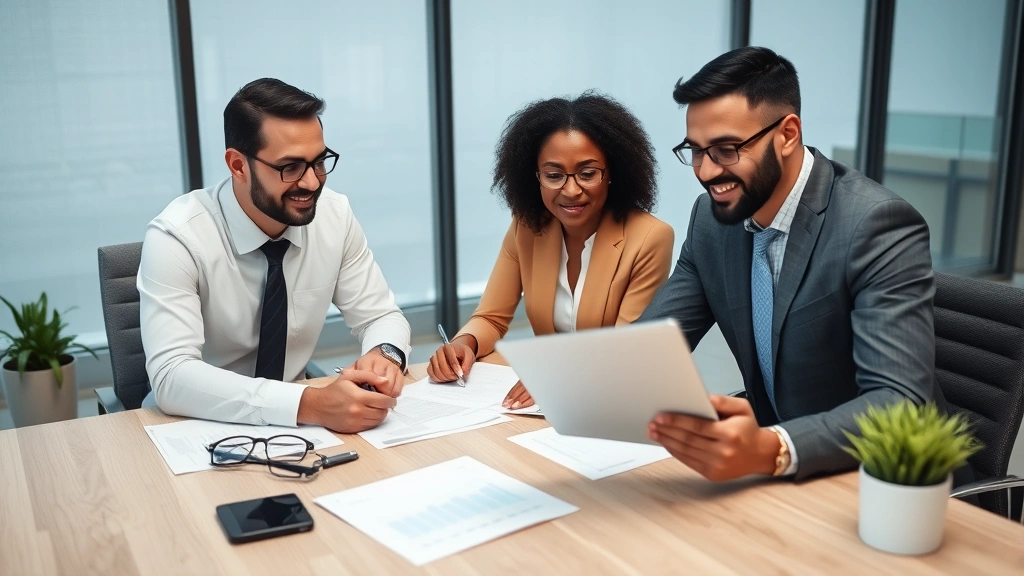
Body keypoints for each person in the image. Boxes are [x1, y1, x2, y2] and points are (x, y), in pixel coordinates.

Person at [640, 47, 970, 485]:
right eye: (695, 150)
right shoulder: (711, 221)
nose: (705, 171)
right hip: (785, 473)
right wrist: (575, 378)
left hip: (892, 483)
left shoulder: (875, 223)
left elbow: (898, 400)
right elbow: (649, 345)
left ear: (788, 133)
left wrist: (773, 447)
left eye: (725, 149)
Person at [138, 78, 410, 434]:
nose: (312, 183)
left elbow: (381, 315)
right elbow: (172, 376)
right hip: (195, 424)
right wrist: (309, 404)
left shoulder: (334, 215)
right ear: (238, 166)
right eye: (291, 168)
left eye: (319, 162)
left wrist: (384, 354)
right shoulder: (177, 236)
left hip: (299, 425)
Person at [427, 92, 674, 408]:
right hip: (546, 403)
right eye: (554, 175)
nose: (571, 190)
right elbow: (490, 318)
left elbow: (623, 350)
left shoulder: (650, 238)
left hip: (618, 398)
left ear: (611, 173)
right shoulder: (527, 227)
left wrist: (557, 376)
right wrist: (464, 344)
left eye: (587, 173)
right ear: (537, 178)